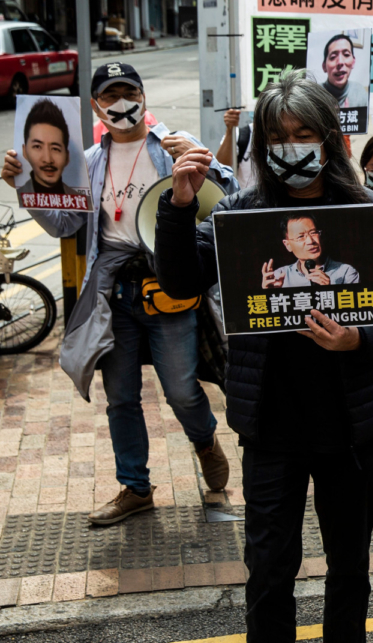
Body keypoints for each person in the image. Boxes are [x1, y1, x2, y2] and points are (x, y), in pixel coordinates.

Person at [155, 68, 373, 643]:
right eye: (275, 137)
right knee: (270, 566)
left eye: (302, 133)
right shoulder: (240, 216)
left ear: (328, 138)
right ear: (259, 144)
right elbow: (179, 281)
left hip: (353, 427)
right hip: (271, 424)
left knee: (349, 566)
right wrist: (178, 206)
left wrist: (357, 340)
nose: (289, 147)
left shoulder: (371, 214)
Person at [1, 62, 236, 525]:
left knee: (181, 389)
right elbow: (65, 224)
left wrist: (206, 163)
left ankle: (205, 438)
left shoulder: (173, 146)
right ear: (96, 106)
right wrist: (24, 185)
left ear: (144, 97)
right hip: (114, 295)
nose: (120, 103)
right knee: (121, 396)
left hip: (169, 287)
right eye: (110, 96)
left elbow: (228, 199)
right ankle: (135, 487)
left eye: (129, 92)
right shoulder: (85, 162)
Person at [261, 212, 360, 288]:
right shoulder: (279, 275)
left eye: (313, 233)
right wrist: (269, 295)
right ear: (288, 245)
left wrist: (329, 292)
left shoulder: (346, 272)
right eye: (300, 237)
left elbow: (356, 312)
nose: (310, 241)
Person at [16, 98, 88, 199]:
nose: (48, 159)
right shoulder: (22, 192)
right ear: (25, 151)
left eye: (55, 149)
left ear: (67, 156)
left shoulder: (83, 200)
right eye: (37, 147)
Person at [316, 33, 369, 109]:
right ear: (324, 66)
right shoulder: (315, 96)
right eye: (333, 57)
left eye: (346, 55)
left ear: (353, 62)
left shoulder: (360, 92)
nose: (340, 62)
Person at [216, 108, 257, 191]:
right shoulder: (239, 135)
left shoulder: (285, 135)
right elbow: (220, 170)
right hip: (246, 201)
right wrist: (230, 130)